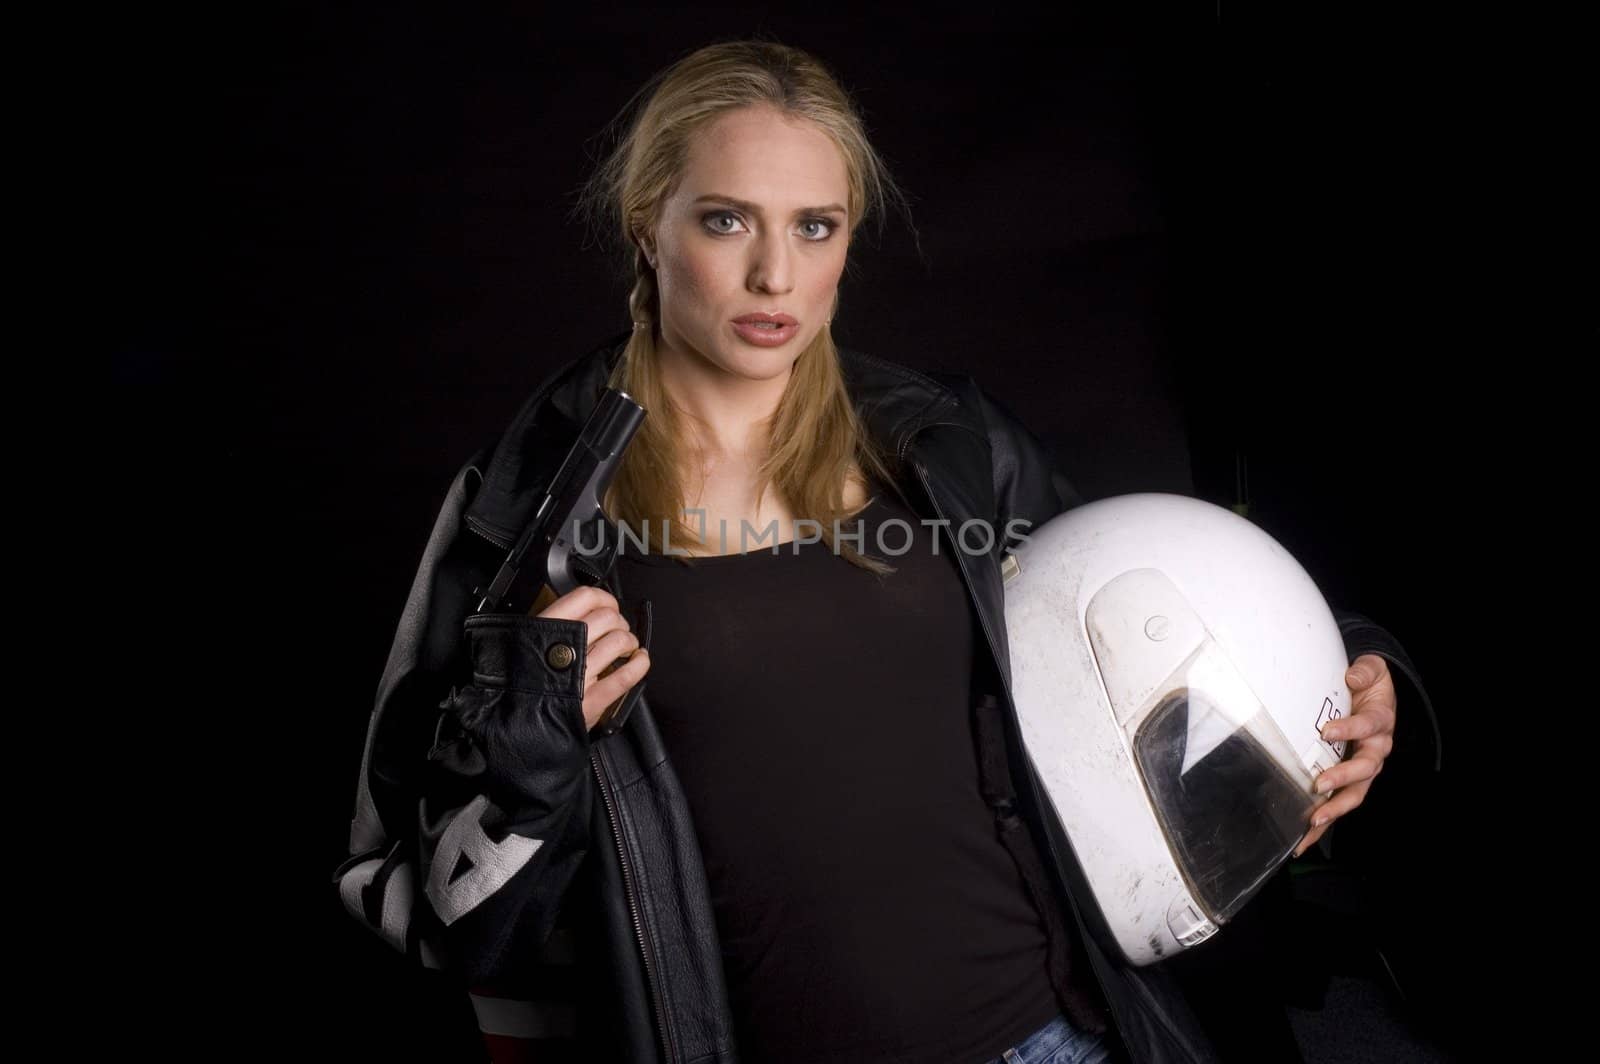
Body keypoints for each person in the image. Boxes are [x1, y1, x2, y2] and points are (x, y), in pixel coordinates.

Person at [334, 39, 1406, 1064]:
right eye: (724, 220)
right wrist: (527, 754)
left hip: (1062, 1033)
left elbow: (1159, 595)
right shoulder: (527, 512)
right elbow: (433, 912)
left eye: (815, 226)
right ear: (644, 224)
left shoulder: (943, 444)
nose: (773, 274)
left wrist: (1346, 669)